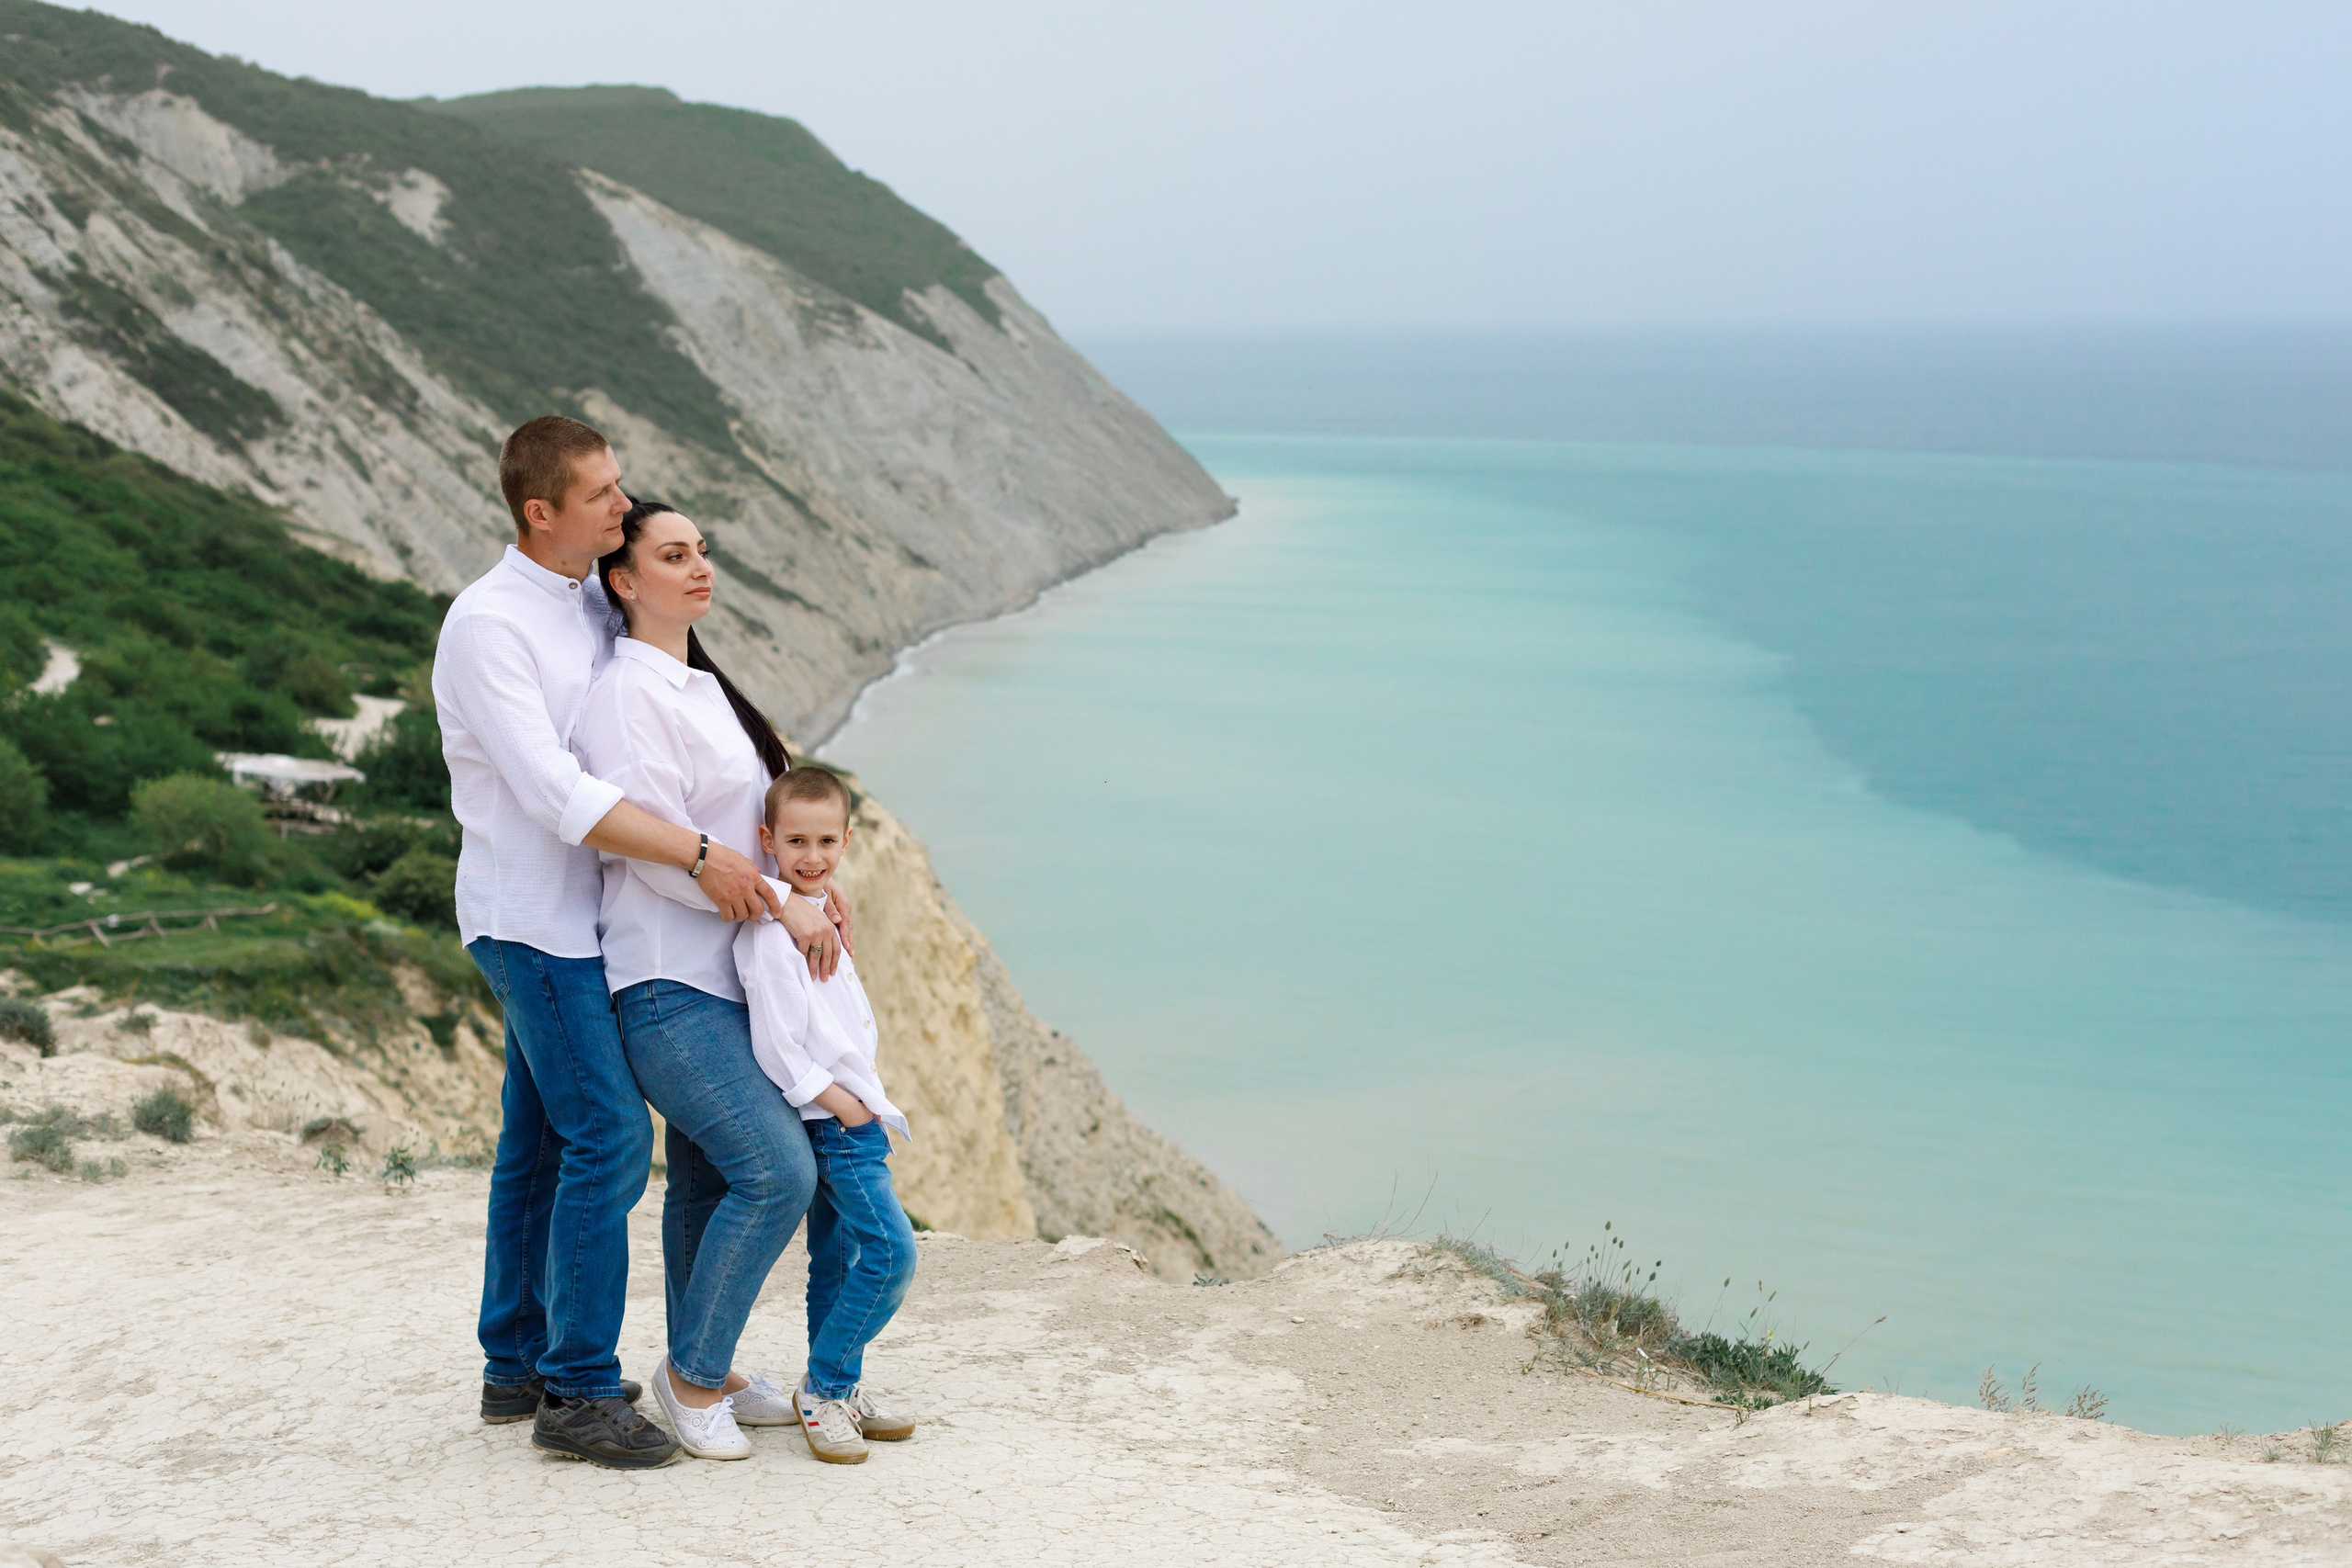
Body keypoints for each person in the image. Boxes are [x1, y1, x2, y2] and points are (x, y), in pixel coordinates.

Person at [437, 420, 847, 1471]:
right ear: (542, 511)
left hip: (592, 920)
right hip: (538, 921)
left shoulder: (581, 603)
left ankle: (513, 1363)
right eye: (604, 495)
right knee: (610, 1141)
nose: (623, 507)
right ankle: (576, 1391)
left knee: (535, 1147)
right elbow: (557, 792)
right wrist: (713, 856)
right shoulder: (490, 624)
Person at [571, 499, 837, 1462]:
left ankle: (703, 1364)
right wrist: (781, 901)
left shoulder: (696, 684)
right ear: (624, 580)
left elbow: (747, 832)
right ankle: (689, 1384)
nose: (699, 568)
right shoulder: (625, 693)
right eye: (672, 554)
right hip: (663, 984)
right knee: (777, 1172)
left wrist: (808, 889)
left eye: (704, 552)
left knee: (706, 1182)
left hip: (723, 982)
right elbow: (656, 853)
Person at [736, 766, 920, 1465]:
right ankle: (825, 1386)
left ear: (847, 840)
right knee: (891, 1253)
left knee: (838, 1258)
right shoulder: (768, 937)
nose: (810, 855)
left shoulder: (823, 917)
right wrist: (844, 1105)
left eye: (824, 840)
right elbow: (778, 1044)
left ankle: (840, 1387)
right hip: (837, 1123)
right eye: (794, 841)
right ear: (768, 841)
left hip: (853, 1117)